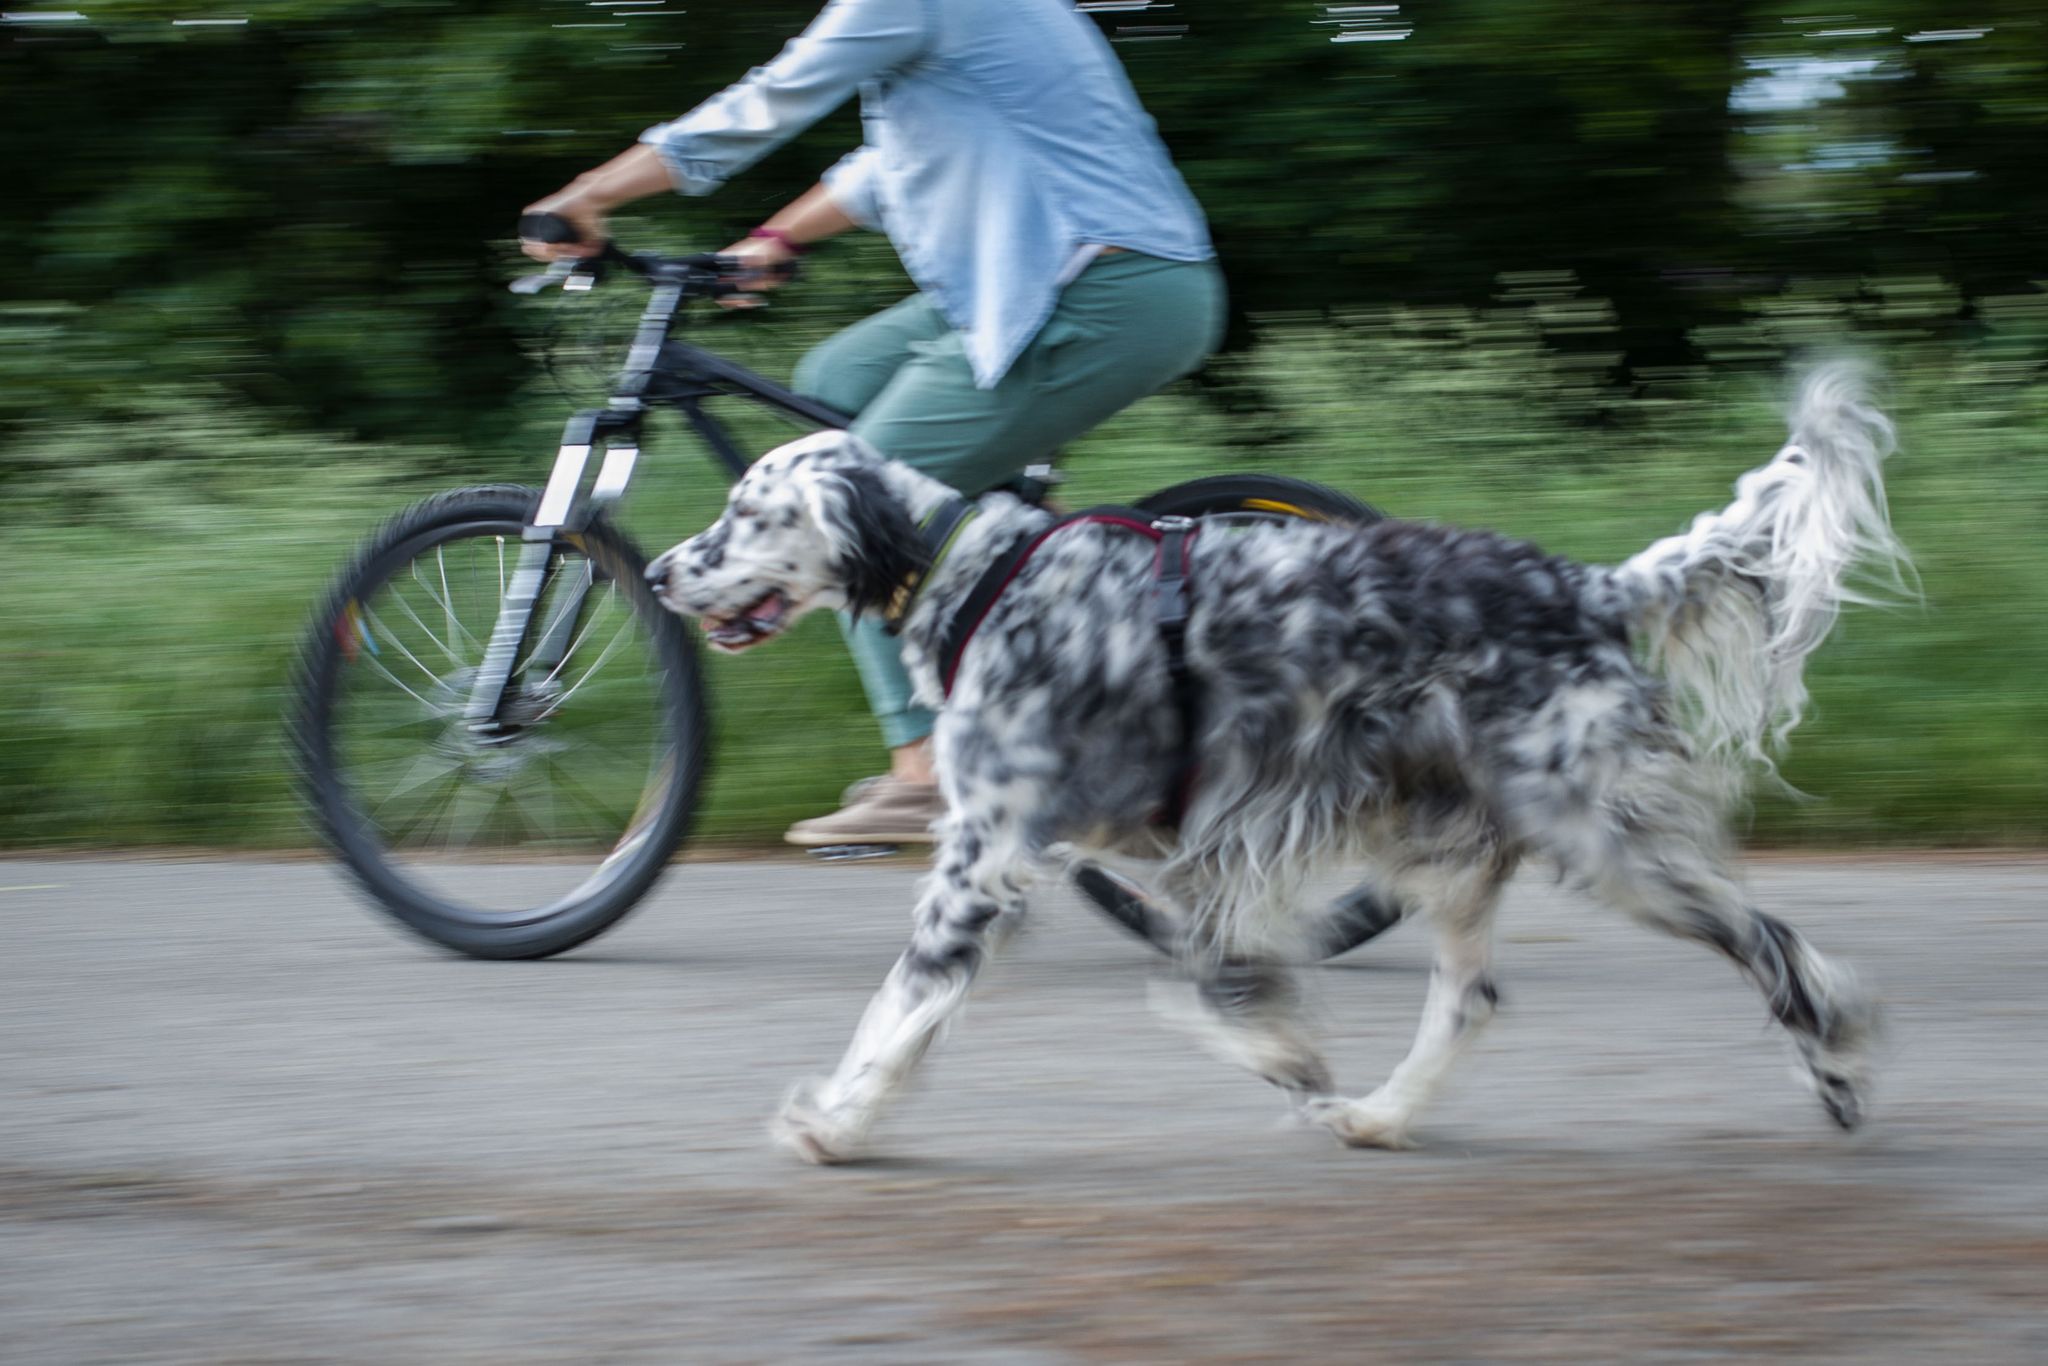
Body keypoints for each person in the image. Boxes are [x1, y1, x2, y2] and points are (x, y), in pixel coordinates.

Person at [522, 0, 1223, 847]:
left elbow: (769, 101)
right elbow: (896, 161)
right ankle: (1009, 649)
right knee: (837, 383)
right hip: (1047, 286)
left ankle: (927, 769)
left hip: (1101, 296)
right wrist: (776, 237)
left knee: (859, 495)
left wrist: (591, 194)